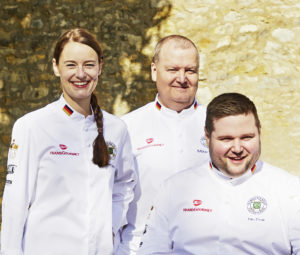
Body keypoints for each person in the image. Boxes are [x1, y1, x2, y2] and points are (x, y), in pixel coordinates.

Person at [1, 28, 136, 255]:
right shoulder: (32, 126)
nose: (80, 74)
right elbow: (16, 201)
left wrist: (110, 228)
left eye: (89, 65)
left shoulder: (117, 129)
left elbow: (124, 186)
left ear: (100, 67)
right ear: (56, 67)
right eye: (71, 65)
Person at [137, 92, 300, 255]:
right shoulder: (173, 188)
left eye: (246, 137)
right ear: (207, 137)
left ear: (259, 132)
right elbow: (152, 250)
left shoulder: (290, 190)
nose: (237, 149)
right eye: (226, 139)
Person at [116, 35, 209, 254]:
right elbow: (112, 197)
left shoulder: (218, 127)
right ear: (154, 71)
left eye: (190, 70)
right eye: (173, 69)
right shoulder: (127, 127)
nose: (182, 78)